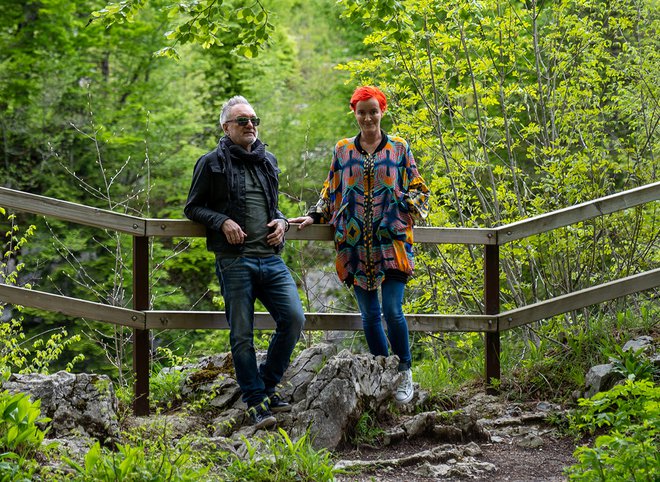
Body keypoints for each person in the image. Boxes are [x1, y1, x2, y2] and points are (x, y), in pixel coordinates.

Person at [290, 86, 429, 404]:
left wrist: (402, 205)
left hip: (391, 242)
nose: (367, 117)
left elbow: (420, 189)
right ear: (354, 113)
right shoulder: (342, 150)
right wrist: (315, 215)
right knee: (369, 316)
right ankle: (384, 372)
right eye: (361, 111)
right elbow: (331, 188)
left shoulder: (399, 148)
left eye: (373, 111)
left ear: (382, 111)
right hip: (354, 244)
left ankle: (404, 370)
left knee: (393, 310)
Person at [184, 95, 305, 429]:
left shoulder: (269, 161)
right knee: (242, 334)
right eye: (242, 121)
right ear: (226, 127)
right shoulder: (211, 163)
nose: (250, 125)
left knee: (294, 319)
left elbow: (273, 207)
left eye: (254, 119)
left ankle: (264, 386)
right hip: (235, 261)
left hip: (271, 258)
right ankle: (255, 402)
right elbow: (192, 208)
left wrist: (282, 222)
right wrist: (222, 221)